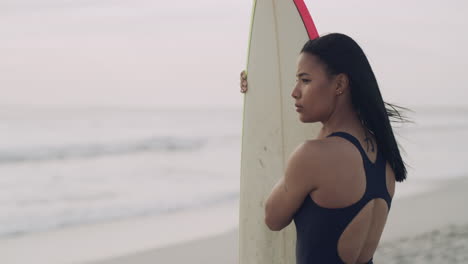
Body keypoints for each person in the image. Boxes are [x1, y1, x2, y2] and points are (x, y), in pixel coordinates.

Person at [239, 33, 411, 264]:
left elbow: (273, 218)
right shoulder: (384, 152)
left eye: (305, 80)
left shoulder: (313, 156)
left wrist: (256, 104)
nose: (295, 92)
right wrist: (258, 93)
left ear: (339, 84)